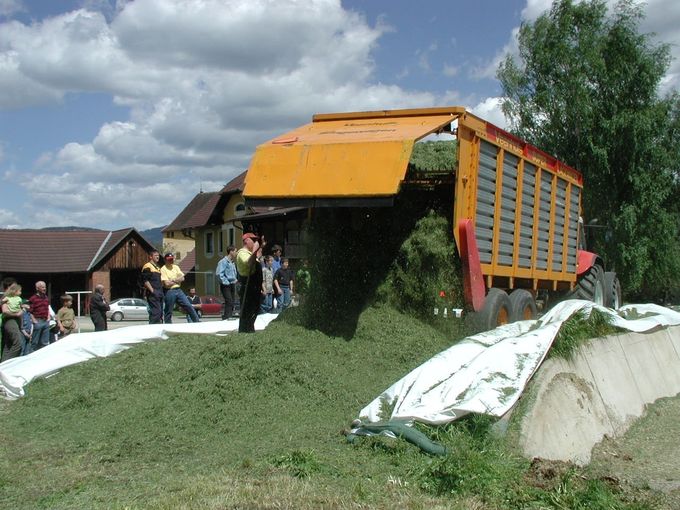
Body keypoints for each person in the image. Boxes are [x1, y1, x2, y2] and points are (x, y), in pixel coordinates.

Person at [236, 232, 265, 333]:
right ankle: (245, 331)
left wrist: (259, 248)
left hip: (254, 286)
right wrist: (254, 251)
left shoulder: (250, 253)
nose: (255, 242)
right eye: (253, 240)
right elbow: (249, 263)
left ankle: (250, 329)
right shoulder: (242, 253)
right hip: (247, 286)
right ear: (246, 241)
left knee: (254, 310)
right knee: (247, 310)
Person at [160, 253, 200, 324]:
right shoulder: (163, 269)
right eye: (169, 260)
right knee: (168, 310)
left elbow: (182, 278)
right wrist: (177, 280)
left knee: (188, 306)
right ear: (165, 260)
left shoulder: (176, 267)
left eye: (172, 259)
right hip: (169, 291)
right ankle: (168, 325)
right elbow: (167, 284)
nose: (171, 261)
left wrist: (173, 280)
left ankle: (196, 322)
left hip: (178, 290)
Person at [1, 283, 25, 361]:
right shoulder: (6, 298)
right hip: (9, 321)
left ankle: (3, 365)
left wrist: (22, 310)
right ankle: (7, 364)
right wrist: (16, 314)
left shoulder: (18, 299)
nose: (21, 292)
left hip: (16, 321)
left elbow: (21, 308)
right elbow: (5, 311)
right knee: (18, 344)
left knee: (8, 345)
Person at [141, 250, 164, 324]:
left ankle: (159, 328)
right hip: (153, 293)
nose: (158, 257)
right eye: (155, 255)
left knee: (160, 312)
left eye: (158, 255)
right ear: (150, 257)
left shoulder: (158, 267)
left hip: (160, 292)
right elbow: (145, 280)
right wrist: (152, 291)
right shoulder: (147, 266)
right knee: (156, 312)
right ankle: (152, 329)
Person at [216, 246, 238, 319]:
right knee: (229, 301)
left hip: (232, 284)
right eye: (235, 251)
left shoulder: (232, 262)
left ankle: (229, 316)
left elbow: (233, 273)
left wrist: (235, 280)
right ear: (231, 251)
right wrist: (225, 282)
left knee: (232, 301)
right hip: (226, 285)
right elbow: (219, 274)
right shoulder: (223, 262)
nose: (236, 253)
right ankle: (226, 317)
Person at [29, 280, 51, 351]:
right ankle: (32, 356)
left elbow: (47, 308)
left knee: (45, 342)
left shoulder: (46, 298)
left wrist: (48, 317)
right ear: (37, 288)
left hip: (46, 321)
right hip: (38, 321)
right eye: (42, 287)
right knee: (35, 342)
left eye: (45, 287)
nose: (44, 289)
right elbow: (30, 311)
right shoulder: (33, 299)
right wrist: (34, 321)